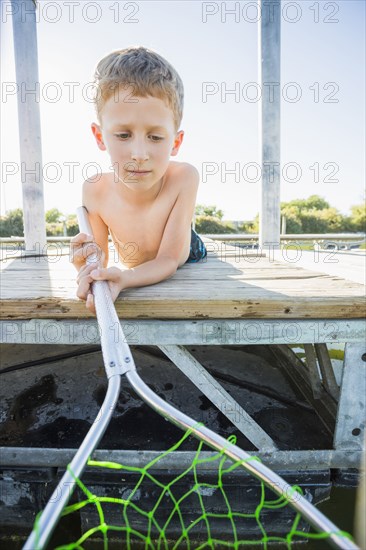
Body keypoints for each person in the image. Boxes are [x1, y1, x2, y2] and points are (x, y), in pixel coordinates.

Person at [71, 46, 207, 312]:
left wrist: (126, 278)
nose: (140, 154)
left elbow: (169, 260)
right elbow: (99, 259)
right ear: (100, 137)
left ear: (176, 142)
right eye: (123, 135)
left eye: (156, 138)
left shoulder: (183, 177)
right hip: (139, 263)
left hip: (187, 254)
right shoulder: (95, 190)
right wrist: (87, 270)